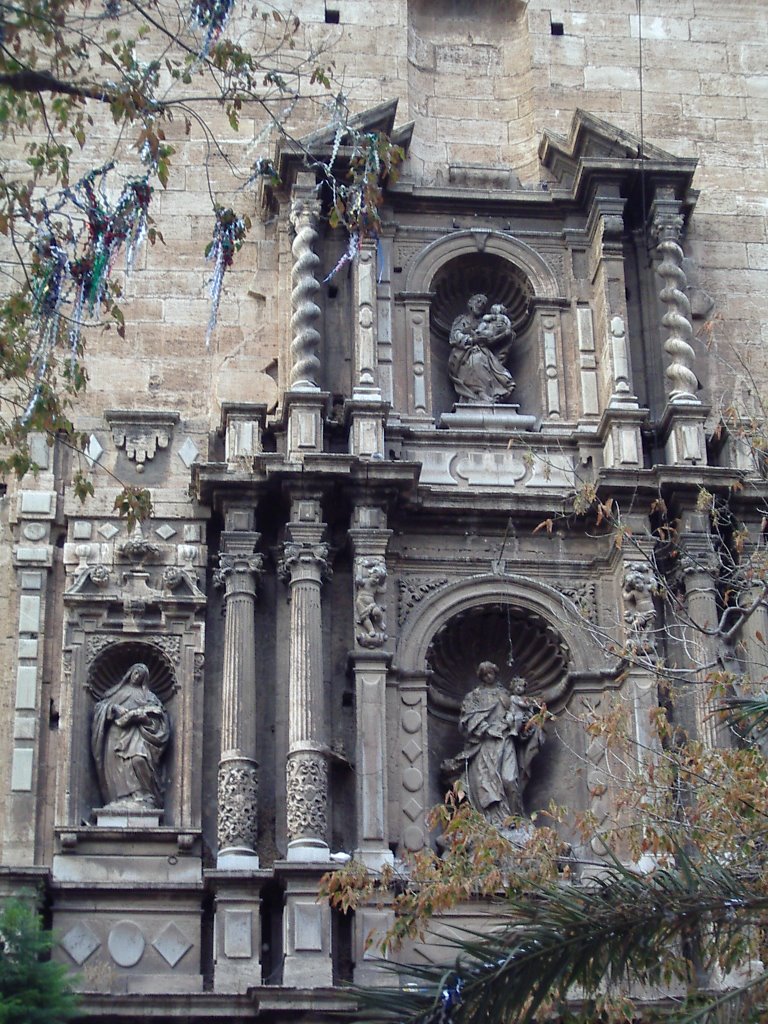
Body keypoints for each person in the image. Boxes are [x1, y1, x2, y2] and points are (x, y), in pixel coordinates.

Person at [456, 662, 543, 826]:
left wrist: (526, 725)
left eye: (491, 673)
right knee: (486, 785)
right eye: (485, 674)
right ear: (481, 676)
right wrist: (486, 729)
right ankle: (489, 823)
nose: (489, 676)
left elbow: (519, 718)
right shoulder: (473, 697)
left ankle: (514, 818)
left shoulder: (506, 695)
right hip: (484, 746)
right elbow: (466, 720)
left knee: (509, 779)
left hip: (505, 741)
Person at [91, 662, 170, 809]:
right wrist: (114, 708)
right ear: (129, 674)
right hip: (116, 735)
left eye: (140, 675)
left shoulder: (149, 696)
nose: (137, 677)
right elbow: (99, 707)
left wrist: (144, 718)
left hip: (138, 734)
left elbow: (160, 719)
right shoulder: (116, 692)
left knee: (138, 759)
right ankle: (119, 798)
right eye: (135, 673)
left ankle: (144, 795)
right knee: (117, 767)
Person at [447, 294, 516, 404]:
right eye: (478, 301)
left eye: (483, 304)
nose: (481, 305)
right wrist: (471, 340)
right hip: (464, 354)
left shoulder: (485, 322)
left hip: (485, 351)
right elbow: (454, 336)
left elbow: (493, 336)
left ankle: (489, 393)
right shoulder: (462, 320)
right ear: (470, 303)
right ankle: (481, 394)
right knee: (476, 359)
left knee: (483, 359)